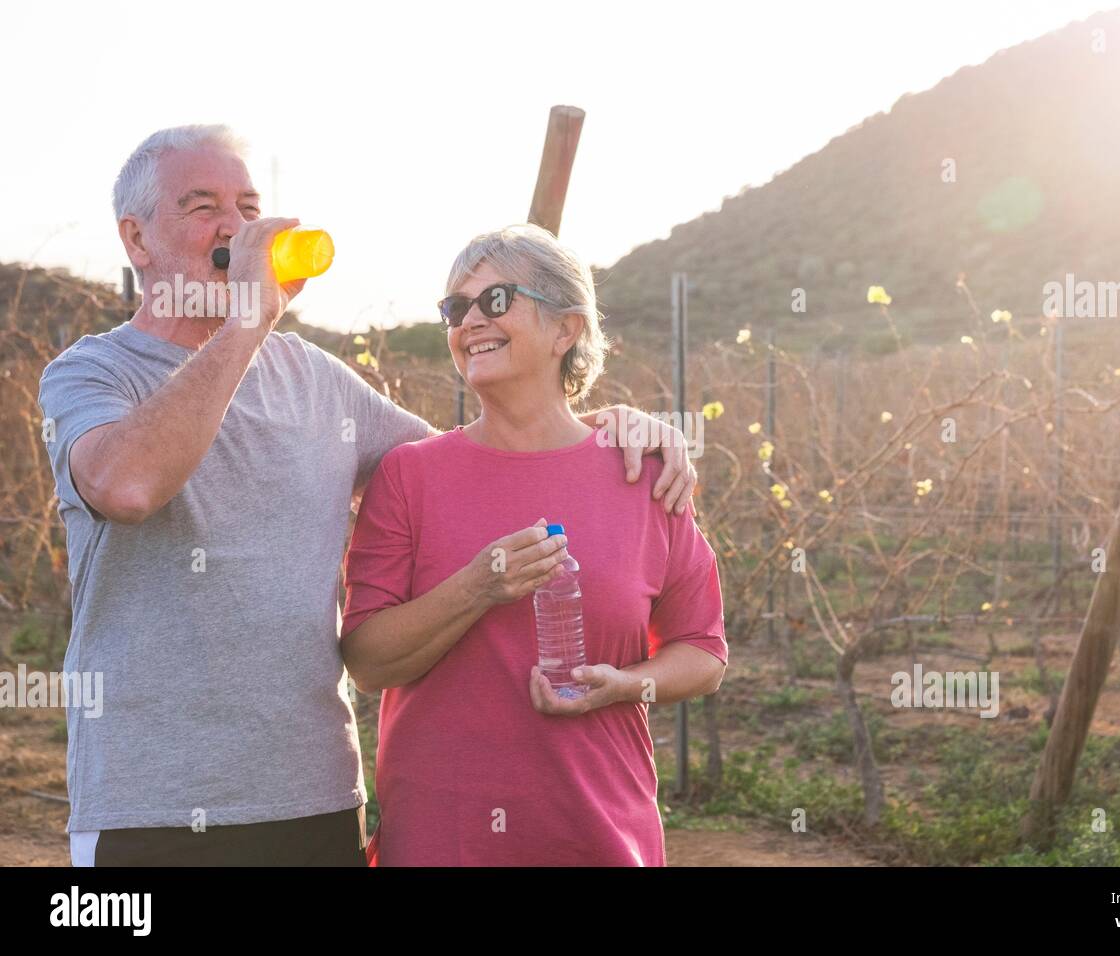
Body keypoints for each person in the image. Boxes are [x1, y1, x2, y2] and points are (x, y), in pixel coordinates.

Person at [37, 125, 698, 866]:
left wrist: (605, 428)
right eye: (202, 206)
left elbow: (482, 462)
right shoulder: (92, 375)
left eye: (248, 204)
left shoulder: (317, 381)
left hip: (315, 799)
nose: (236, 226)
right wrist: (250, 322)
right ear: (137, 239)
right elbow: (128, 486)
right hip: (151, 806)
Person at [341, 224, 727, 866]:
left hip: (598, 838)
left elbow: (704, 653)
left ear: (565, 330)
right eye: (453, 309)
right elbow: (370, 663)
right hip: (444, 840)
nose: (468, 322)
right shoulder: (409, 475)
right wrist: (478, 587)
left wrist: (627, 684)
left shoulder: (642, 473)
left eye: (494, 301)